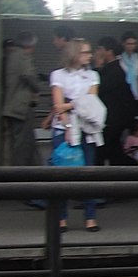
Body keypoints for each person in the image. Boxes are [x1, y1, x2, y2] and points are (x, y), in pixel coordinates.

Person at [48, 38, 101, 232]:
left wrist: (69, 104)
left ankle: (90, 216)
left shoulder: (93, 75)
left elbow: (92, 102)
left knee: (89, 174)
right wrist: (70, 114)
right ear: (74, 54)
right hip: (63, 129)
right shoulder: (58, 75)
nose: (90, 55)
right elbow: (57, 105)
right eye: (85, 52)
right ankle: (61, 217)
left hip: (87, 130)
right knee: (61, 174)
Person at [1, 31, 43, 169]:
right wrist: (38, 87)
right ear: (29, 45)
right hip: (21, 107)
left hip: (11, 107)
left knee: (25, 143)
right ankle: (20, 176)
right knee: (22, 146)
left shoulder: (10, 56)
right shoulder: (23, 56)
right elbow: (29, 76)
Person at [94, 36, 135, 167]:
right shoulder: (113, 69)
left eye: (100, 49)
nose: (97, 52)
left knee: (104, 151)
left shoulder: (114, 71)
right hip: (113, 120)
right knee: (114, 152)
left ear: (109, 51)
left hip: (113, 120)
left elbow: (98, 88)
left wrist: (98, 67)